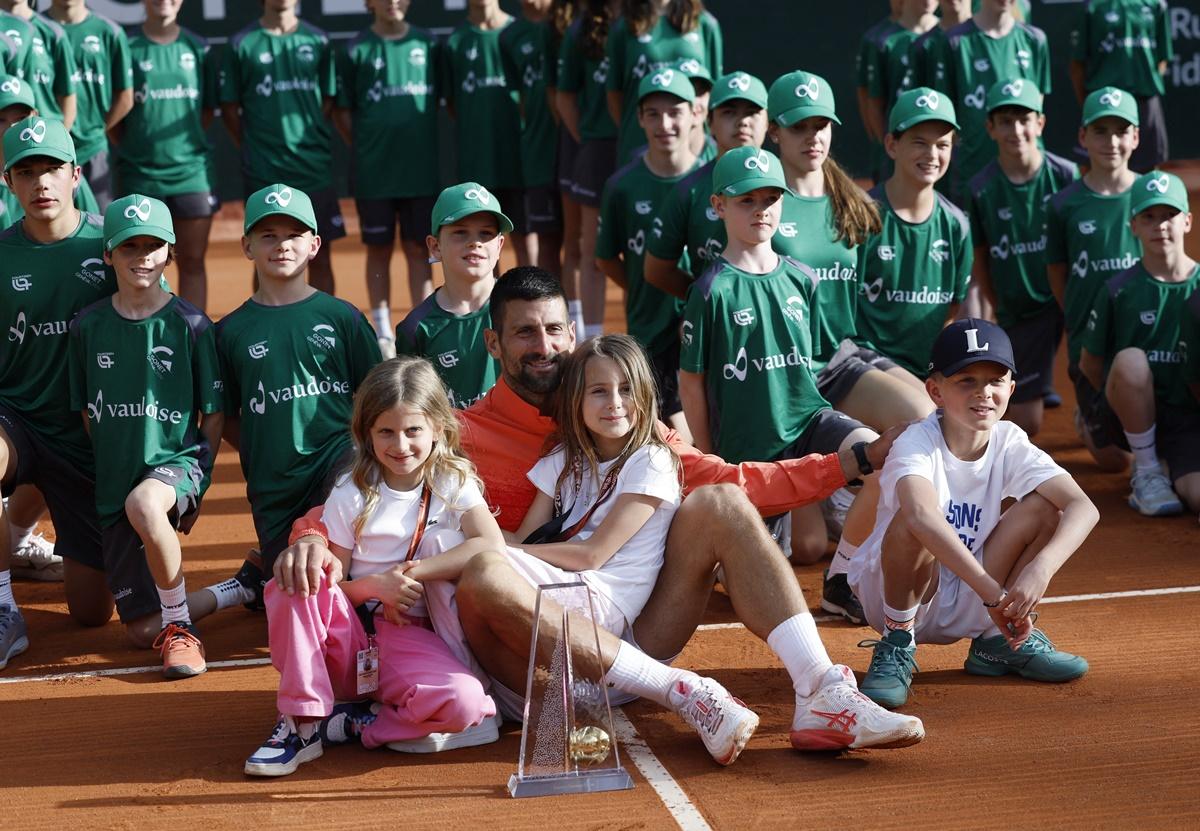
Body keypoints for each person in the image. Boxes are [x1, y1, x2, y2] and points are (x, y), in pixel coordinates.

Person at [283, 267, 925, 757]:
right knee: (480, 571)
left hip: (624, 612)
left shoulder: (625, 427)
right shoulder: (460, 433)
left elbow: (733, 478)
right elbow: (366, 484)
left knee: (722, 502)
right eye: (524, 332)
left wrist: (851, 461)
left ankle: (823, 689)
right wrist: (310, 536)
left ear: (573, 332)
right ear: (493, 343)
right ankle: (648, 691)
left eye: (554, 329)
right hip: (520, 651)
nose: (543, 345)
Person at [244, 357, 501, 777]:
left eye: (413, 430)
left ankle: (357, 723)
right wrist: (377, 586)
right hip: (351, 635)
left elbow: (489, 543)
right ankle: (300, 723)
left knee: (465, 703)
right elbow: (334, 585)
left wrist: (413, 574)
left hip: (407, 637)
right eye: (386, 432)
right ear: (366, 433)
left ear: (438, 427)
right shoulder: (352, 491)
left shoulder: (452, 481)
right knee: (298, 579)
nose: (401, 444)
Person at [850, 319, 1097, 709]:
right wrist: (994, 595)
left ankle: (997, 643)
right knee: (913, 523)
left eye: (995, 381)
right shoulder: (916, 441)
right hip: (901, 593)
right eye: (966, 380)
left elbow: (1084, 507)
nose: (983, 392)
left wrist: (1041, 568)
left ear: (1011, 389)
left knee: (1045, 509)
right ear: (935, 391)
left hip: (978, 594)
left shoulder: (1009, 441)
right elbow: (920, 516)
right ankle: (898, 641)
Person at [201, 184, 381, 616]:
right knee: (294, 599)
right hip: (274, 483)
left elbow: (376, 397)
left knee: (347, 594)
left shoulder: (343, 318)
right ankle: (258, 574)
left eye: (294, 235)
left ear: (314, 245)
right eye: (268, 235)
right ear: (247, 246)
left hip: (338, 464)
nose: (282, 245)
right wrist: (265, 443)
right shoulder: (229, 332)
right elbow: (227, 414)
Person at [68, 194, 222, 677]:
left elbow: (214, 413)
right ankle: (236, 589)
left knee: (145, 503)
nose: (142, 257)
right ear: (108, 254)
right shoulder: (87, 327)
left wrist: (199, 478)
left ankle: (181, 628)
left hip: (176, 463)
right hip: (116, 477)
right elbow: (87, 413)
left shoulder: (192, 324)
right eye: (129, 247)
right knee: (139, 631)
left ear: (169, 252)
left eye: (153, 246)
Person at [0, 116, 132, 668]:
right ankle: (3, 606)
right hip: (16, 417)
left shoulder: (113, 245)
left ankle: (17, 531)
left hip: (85, 437)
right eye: (25, 172)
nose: (41, 184)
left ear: (76, 174)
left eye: (52, 169)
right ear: (8, 182)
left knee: (91, 613)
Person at [1079, 171, 1200, 517]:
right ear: (1133, 226)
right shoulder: (1118, 289)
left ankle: (1167, 465)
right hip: (1135, 413)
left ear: (1187, 221)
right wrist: (1125, 403)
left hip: (1190, 419)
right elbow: (1090, 364)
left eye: (1169, 215)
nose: (1160, 226)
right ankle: (1146, 468)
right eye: (1148, 217)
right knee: (1130, 361)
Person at [966, 78, 1078, 438]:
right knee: (1027, 423)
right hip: (1022, 311)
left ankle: (1088, 403)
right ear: (990, 128)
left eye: (1024, 119)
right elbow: (981, 256)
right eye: (1005, 121)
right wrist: (1000, 307)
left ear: (1040, 123)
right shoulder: (981, 188)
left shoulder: (1065, 175)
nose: (1016, 130)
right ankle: (1039, 381)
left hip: (1068, 301)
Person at [596, 67, 699, 435]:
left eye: (674, 112)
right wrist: (640, 284)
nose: (664, 124)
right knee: (657, 426)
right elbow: (606, 257)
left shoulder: (712, 181)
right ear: (639, 118)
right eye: (653, 113)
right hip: (648, 324)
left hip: (702, 324)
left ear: (695, 114)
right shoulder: (622, 186)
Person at [335, 0, 441, 355]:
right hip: (374, 173)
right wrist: (368, 146)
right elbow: (343, 111)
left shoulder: (428, 44)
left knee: (419, 248)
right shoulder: (355, 49)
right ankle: (382, 333)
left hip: (420, 170)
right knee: (378, 248)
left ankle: (422, 326)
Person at [1045, 86, 1142, 474]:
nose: (1112, 142)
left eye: (1121, 131)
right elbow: (1058, 273)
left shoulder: (1152, 196)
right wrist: (1081, 319)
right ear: (1083, 137)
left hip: (1145, 339)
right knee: (1115, 461)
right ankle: (1087, 420)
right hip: (1090, 347)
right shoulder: (1063, 204)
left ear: (1136, 137)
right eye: (1101, 131)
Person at [220, 0, 341, 294]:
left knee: (320, 255)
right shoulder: (241, 43)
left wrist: (308, 135)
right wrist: (255, 145)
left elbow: (328, 100)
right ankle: (266, 319)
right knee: (264, 258)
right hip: (264, 170)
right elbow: (230, 108)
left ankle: (325, 319)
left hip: (312, 166)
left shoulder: (319, 40)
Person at [853, 87, 972, 381]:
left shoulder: (957, 225)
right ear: (892, 145)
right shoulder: (861, 216)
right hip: (865, 367)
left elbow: (951, 310)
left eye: (942, 145)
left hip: (925, 373)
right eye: (919, 142)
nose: (932, 154)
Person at [116, 0, 219, 311]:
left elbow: (206, 112)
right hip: (140, 175)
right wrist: (136, 148)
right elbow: (117, 115)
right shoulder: (127, 47)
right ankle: (148, 329)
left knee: (193, 260)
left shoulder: (199, 48)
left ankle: (194, 330)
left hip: (191, 173)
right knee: (141, 265)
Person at [644, 69, 768, 297]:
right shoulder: (688, 190)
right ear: (709, 122)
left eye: (752, 113)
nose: (742, 122)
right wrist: (704, 301)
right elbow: (656, 271)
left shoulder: (787, 184)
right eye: (729, 112)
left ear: (768, 121)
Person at [914, 0, 1050, 207]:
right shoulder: (954, 42)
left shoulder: (1034, 39)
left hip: (1027, 171)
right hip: (972, 166)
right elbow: (944, 116)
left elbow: (1037, 104)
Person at [395, 183, 508, 409]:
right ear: (435, 246)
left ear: (499, 245)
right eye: (460, 232)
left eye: (486, 233)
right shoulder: (417, 328)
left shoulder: (522, 308)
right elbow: (414, 408)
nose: (475, 242)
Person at [441, 0, 530, 264]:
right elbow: (453, 104)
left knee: (526, 236)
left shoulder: (518, 33)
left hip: (520, 156)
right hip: (476, 157)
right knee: (482, 237)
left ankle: (529, 291)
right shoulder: (455, 41)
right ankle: (490, 292)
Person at [557, 0, 620, 340]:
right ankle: (591, 340)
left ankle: (647, 338)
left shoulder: (646, 25)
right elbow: (564, 97)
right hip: (597, 151)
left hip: (640, 149)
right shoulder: (579, 30)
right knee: (591, 250)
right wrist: (589, 138)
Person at [604, 0, 721, 166]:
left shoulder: (705, 23)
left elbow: (715, 93)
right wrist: (649, 125)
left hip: (697, 149)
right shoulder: (623, 27)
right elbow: (614, 95)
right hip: (638, 143)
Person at [46, 0, 132, 210]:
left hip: (92, 151)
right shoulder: (36, 28)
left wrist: (97, 130)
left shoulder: (109, 32)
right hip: (45, 152)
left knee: (98, 224)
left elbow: (125, 97)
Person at [1070, 0, 1173, 173]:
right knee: (1095, 173)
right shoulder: (1092, 7)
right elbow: (1077, 66)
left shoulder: (1156, 5)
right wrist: (1090, 107)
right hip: (1104, 104)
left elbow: (1162, 60)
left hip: (1145, 101)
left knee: (1147, 177)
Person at [501, 0, 563, 273]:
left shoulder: (571, 26)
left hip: (578, 151)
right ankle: (552, 302)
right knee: (547, 243)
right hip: (539, 153)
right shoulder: (509, 37)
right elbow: (521, 101)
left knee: (583, 243)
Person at [0, 73, 98, 226]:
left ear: (35, 115)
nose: (12, 126)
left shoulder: (66, 174)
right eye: (1, 120)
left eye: (21, 118)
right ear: (9, 181)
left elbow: (94, 229)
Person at [860, 0, 938, 182]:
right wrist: (888, 148)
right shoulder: (882, 40)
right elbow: (872, 103)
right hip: (897, 143)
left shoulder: (950, 37)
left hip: (938, 143)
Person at [0, 0, 76, 128]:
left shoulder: (53, 33)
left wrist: (60, 135)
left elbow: (67, 95)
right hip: (6, 135)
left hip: (46, 133)